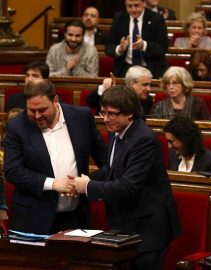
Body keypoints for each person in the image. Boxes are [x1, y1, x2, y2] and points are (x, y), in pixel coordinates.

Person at [72, 85, 181, 270]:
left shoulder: (143, 139)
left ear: (129, 113)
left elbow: (128, 185)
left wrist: (88, 186)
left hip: (148, 230)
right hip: (127, 225)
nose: (105, 119)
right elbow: (112, 169)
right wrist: (77, 182)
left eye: (111, 113)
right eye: (103, 112)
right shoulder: (116, 131)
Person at [4, 79, 107, 235]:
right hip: (33, 220)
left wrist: (85, 183)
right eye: (31, 110)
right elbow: (13, 171)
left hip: (75, 218)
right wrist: (52, 184)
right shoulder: (17, 126)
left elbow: (107, 160)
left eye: (43, 109)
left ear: (56, 100)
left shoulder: (81, 117)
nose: (37, 115)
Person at [105, 0, 169, 79]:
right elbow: (108, 47)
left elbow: (163, 47)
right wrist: (120, 49)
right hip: (125, 69)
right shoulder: (119, 18)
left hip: (150, 68)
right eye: (129, 6)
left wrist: (144, 45)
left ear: (144, 3)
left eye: (136, 5)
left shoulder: (156, 18)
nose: (133, 9)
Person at [86, 66, 153, 115]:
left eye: (149, 85)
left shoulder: (148, 100)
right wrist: (104, 88)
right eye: (145, 85)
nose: (149, 89)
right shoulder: (114, 95)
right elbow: (90, 101)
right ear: (132, 84)